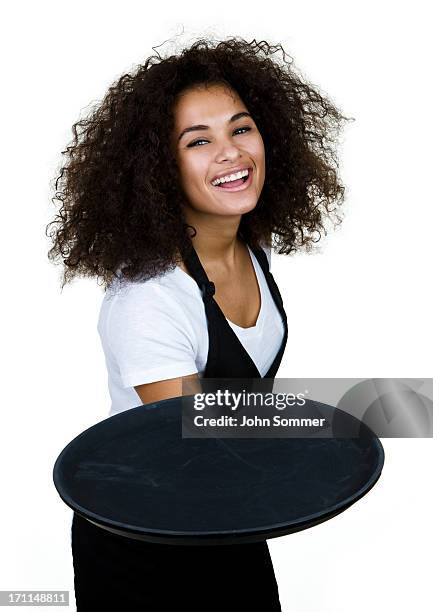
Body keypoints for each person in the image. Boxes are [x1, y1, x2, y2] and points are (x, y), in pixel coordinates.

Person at [47, 36, 348, 611]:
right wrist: (389, 406)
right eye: (198, 141)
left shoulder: (248, 246)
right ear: (160, 169)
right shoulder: (149, 300)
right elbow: (199, 436)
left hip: (227, 515)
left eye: (241, 128)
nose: (231, 153)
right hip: (144, 544)